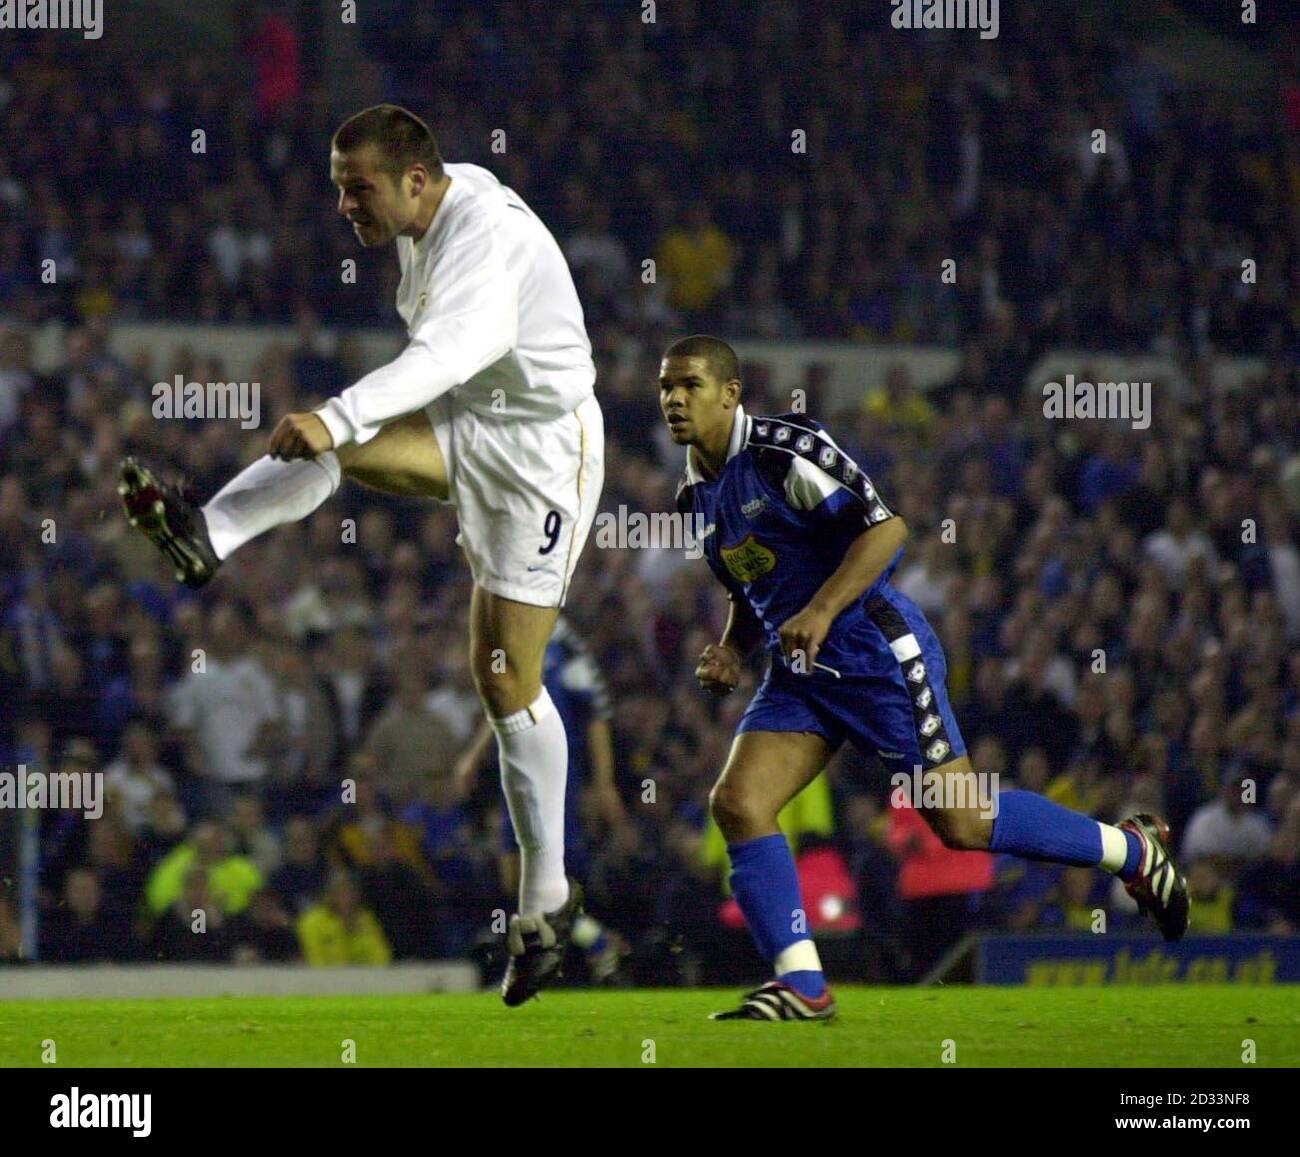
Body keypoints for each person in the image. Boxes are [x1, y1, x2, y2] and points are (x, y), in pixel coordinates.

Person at [118, 105, 605, 1006]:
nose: (345, 204)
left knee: (507, 680)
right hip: (478, 430)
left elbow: (452, 347)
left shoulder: (479, 244)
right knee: (330, 446)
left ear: (414, 180)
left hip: (545, 457)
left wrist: (341, 411)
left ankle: (546, 903)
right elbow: (440, 362)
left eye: (359, 187)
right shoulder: (432, 210)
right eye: (340, 186)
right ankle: (205, 534)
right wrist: (341, 422)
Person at [662, 334, 1189, 1021]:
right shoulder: (695, 493)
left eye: (690, 385)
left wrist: (822, 609)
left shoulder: (784, 452)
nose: (674, 399)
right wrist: (733, 647)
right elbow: (750, 578)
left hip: (876, 651)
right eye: (667, 387)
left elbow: (886, 529)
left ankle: (1130, 848)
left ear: (730, 393)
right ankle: (804, 985)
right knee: (737, 802)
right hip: (802, 673)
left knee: (962, 821)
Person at [454, 614, 628, 982]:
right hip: (516, 768)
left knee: (540, 876)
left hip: (554, 769)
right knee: (513, 878)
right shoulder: (517, 638)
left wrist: (603, 782)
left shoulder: (566, 646)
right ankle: (590, 942)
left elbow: (596, 715)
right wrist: (474, 755)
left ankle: (571, 953)